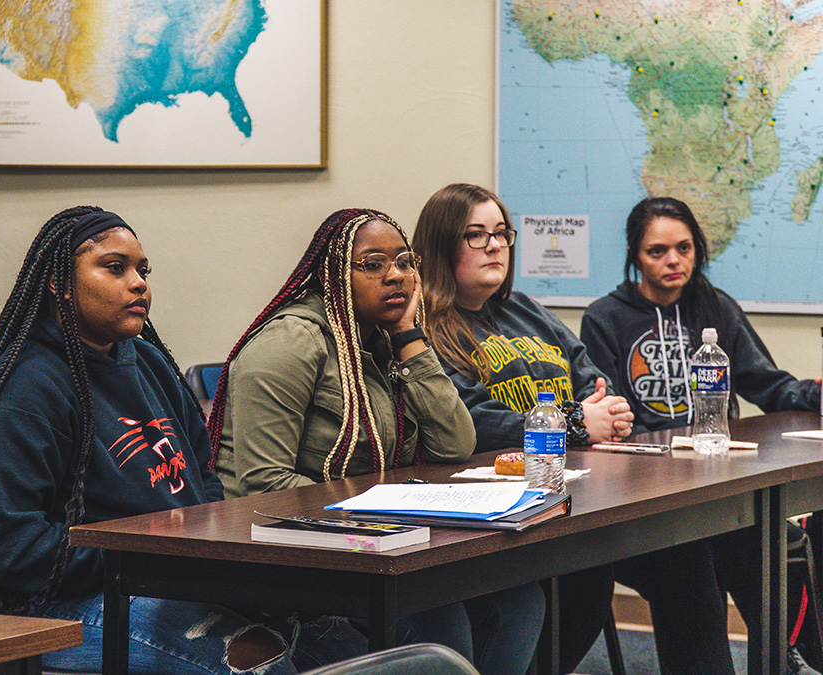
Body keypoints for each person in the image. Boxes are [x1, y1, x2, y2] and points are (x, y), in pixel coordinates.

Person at [0, 207, 367, 674]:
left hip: (164, 576)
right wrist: (149, 557)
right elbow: (14, 554)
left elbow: (203, 479)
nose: (138, 283)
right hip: (58, 605)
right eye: (114, 268)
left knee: (341, 640)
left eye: (142, 271)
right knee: (255, 661)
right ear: (58, 282)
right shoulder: (26, 389)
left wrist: (189, 553)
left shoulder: (149, 362)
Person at [414, 183, 736, 675]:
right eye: (476, 235)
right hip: (502, 510)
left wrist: (604, 413)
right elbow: (469, 420)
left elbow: (590, 376)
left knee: (684, 557)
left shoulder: (525, 309)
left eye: (501, 233)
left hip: (584, 497)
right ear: (441, 246)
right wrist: (576, 423)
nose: (495, 245)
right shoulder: (426, 330)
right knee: (582, 584)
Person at [209, 207, 544, 675]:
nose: (396, 276)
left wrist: (410, 337)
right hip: (287, 549)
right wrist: (375, 508)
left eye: (406, 263)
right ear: (332, 276)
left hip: (377, 540)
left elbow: (454, 445)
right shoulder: (290, 343)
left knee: (520, 596)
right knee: (439, 617)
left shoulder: (384, 340)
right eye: (373, 265)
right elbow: (263, 484)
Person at [580, 196, 822, 674]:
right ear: (635, 255)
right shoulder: (604, 318)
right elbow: (611, 427)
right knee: (694, 566)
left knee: (782, 551)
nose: (674, 261)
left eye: (684, 248)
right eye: (657, 251)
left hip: (716, 489)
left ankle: (783, 658)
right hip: (647, 499)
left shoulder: (716, 307)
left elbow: (766, 383)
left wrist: (813, 395)